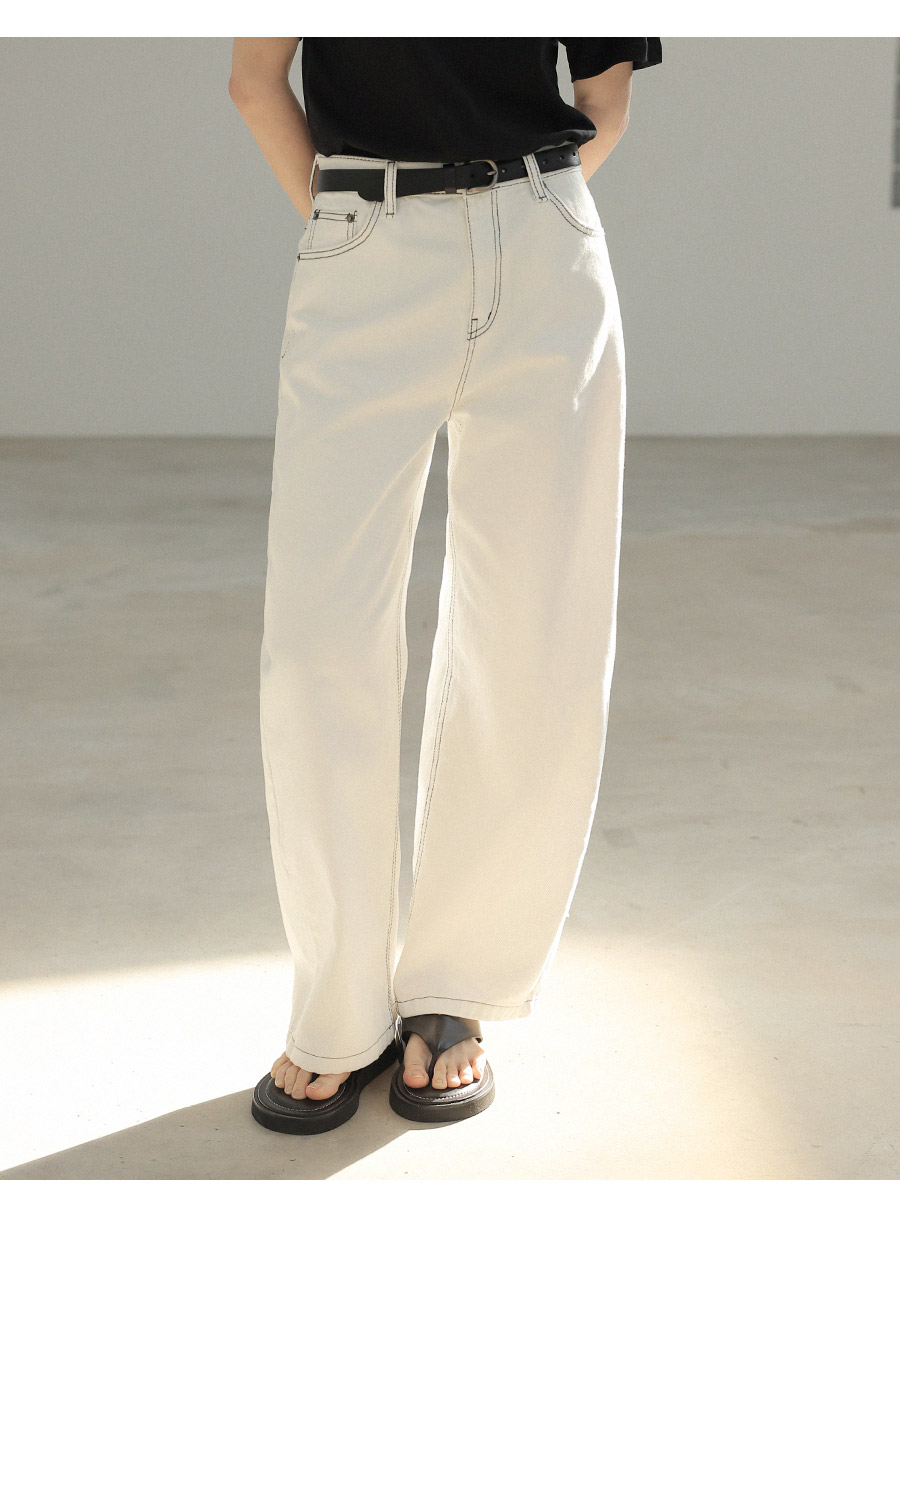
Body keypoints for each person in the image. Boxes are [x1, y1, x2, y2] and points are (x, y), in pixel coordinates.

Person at [229, 37, 662, 1134]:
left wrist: (503, 220)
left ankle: (455, 988)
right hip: (366, 235)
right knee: (319, 642)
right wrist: (365, 231)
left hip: (547, 247)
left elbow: (603, 101)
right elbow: (254, 78)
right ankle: (335, 1007)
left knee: (533, 634)